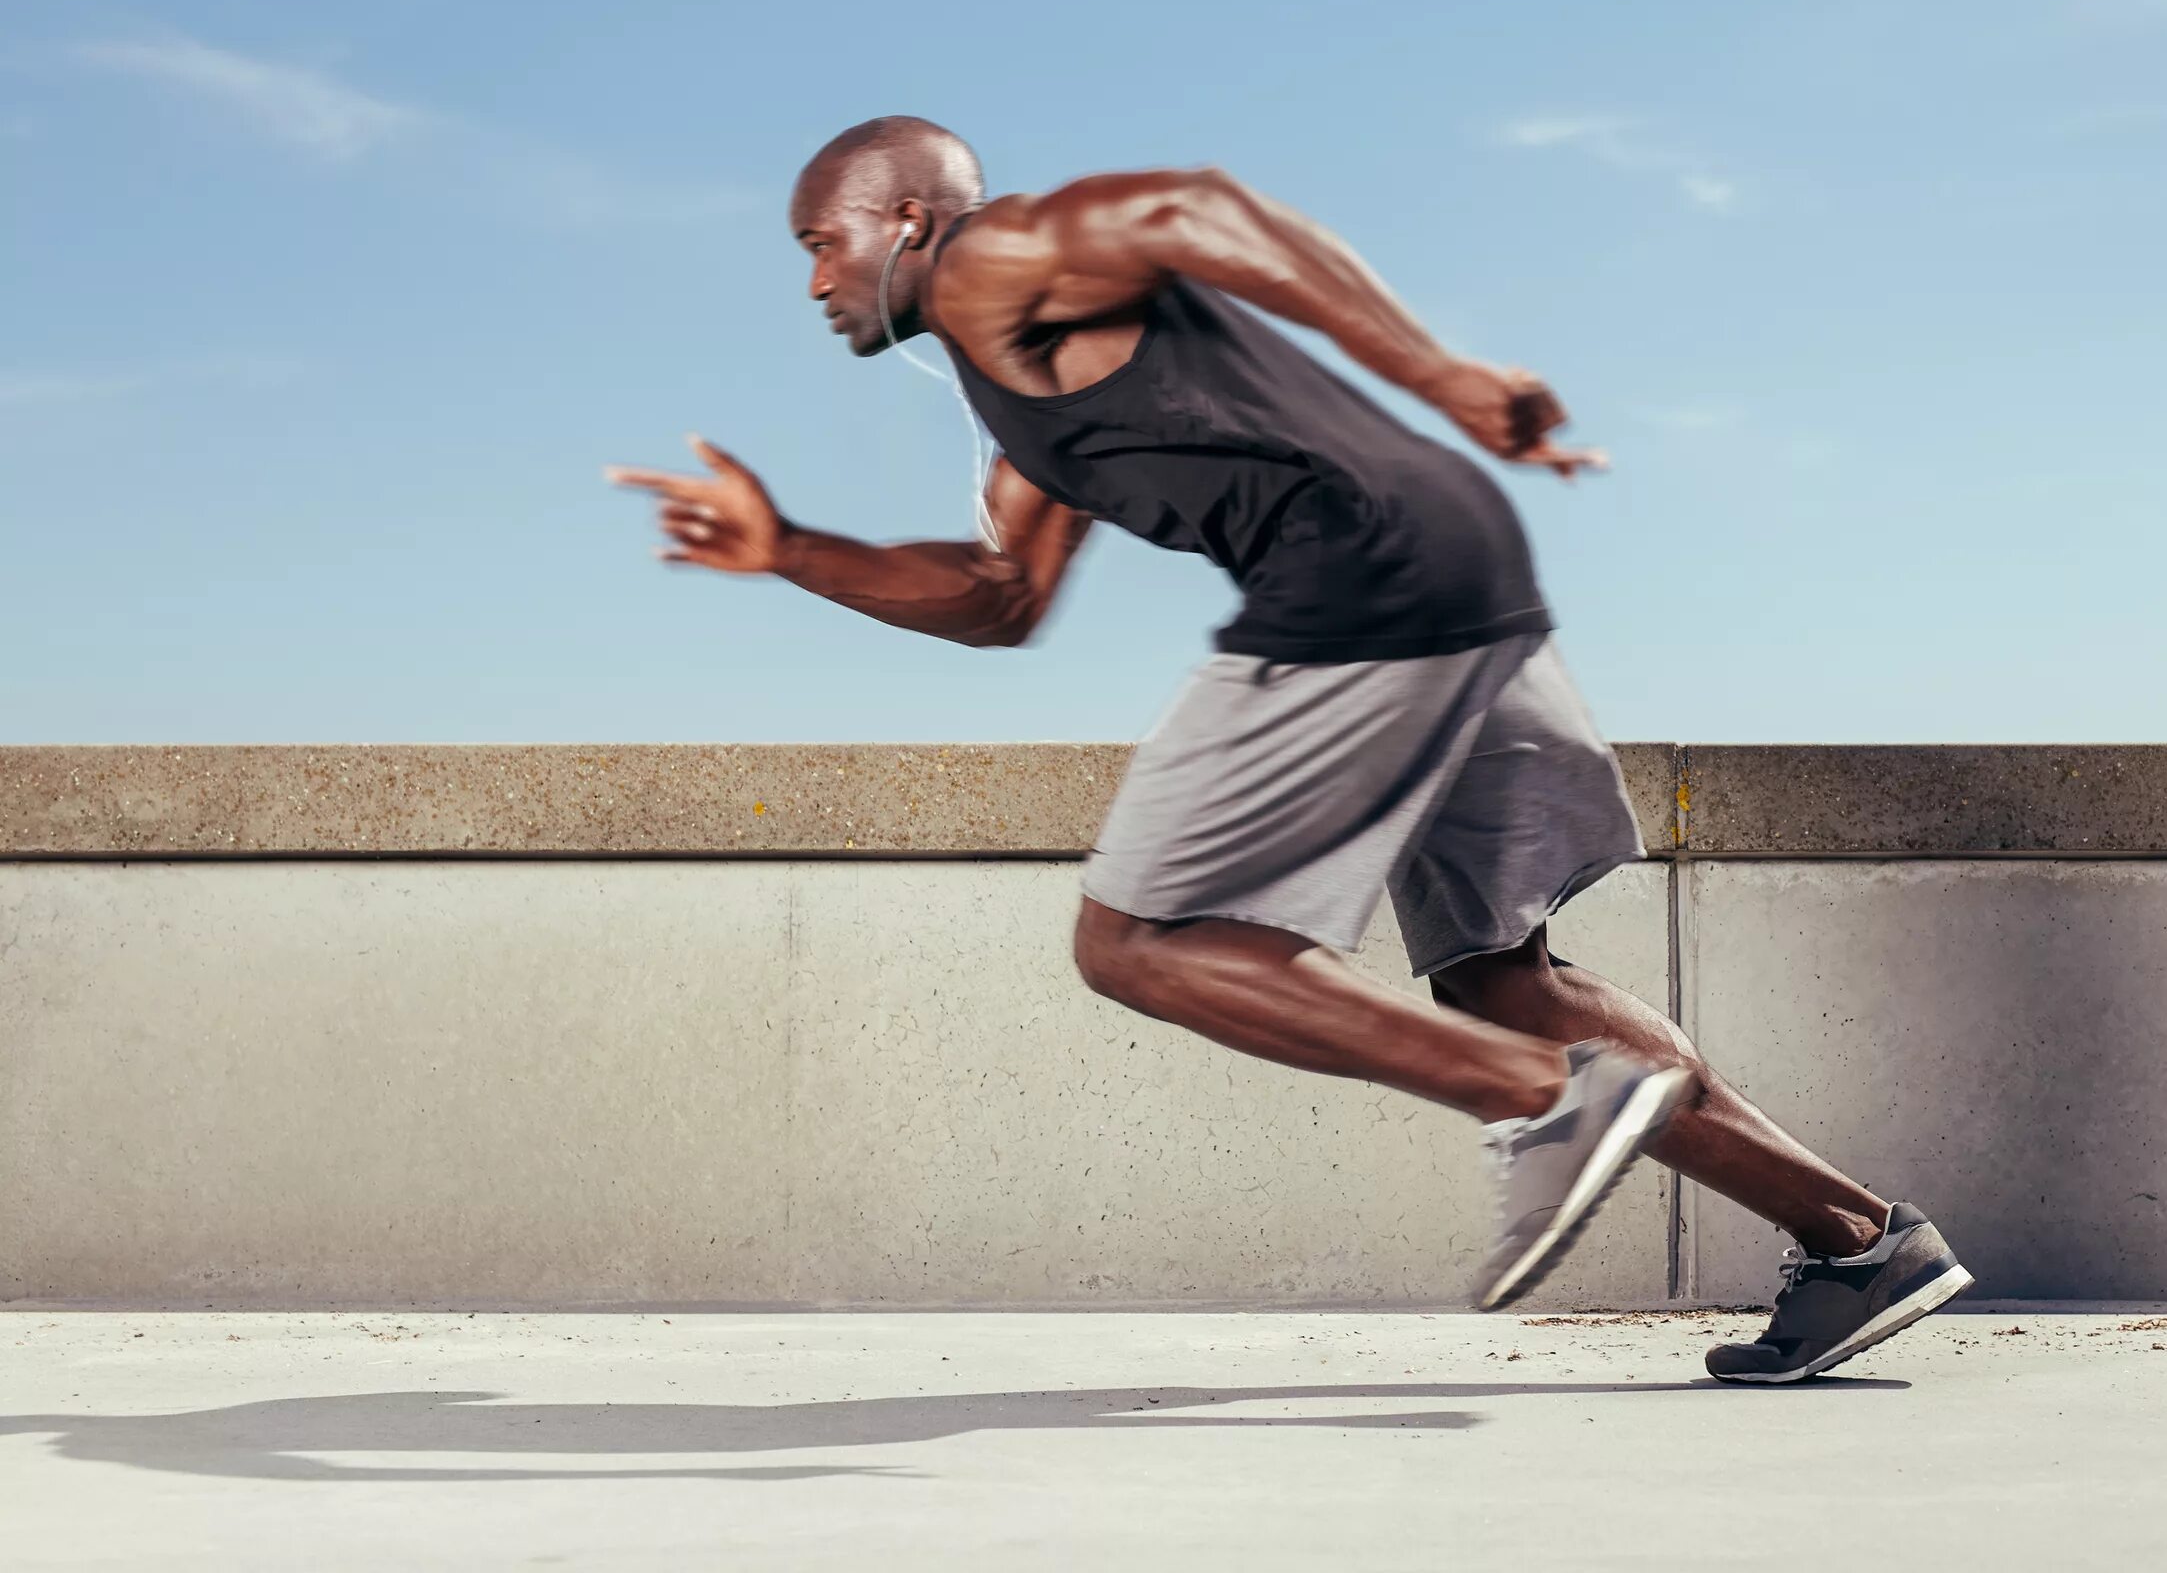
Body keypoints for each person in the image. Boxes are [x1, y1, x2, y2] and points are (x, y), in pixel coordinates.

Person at [607, 116, 1971, 1380]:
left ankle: (1537, 1098)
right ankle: (1859, 1241)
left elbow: (1195, 205)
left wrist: (1438, 370)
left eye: (818, 246)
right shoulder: (1019, 369)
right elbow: (997, 599)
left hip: (1362, 584)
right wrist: (790, 549)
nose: (812, 285)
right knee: (1503, 979)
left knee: (1139, 940)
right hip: (1459, 575)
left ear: (905, 219)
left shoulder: (997, 257)